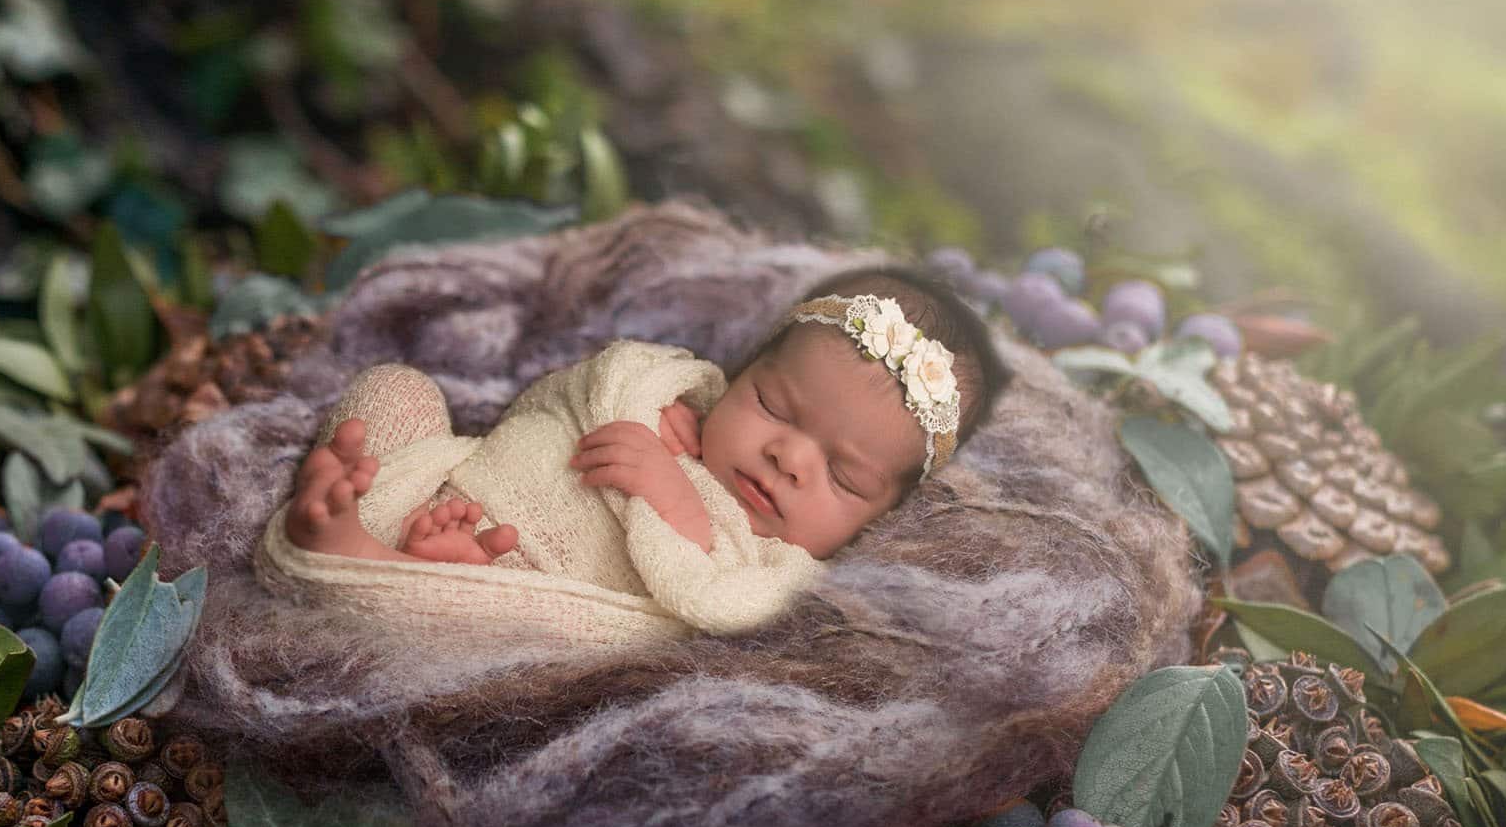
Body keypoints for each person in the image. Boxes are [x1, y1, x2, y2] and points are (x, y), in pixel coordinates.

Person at [262, 264, 1009, 645]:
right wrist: (643, 408)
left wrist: (679, 508)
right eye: (773, 407)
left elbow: (721, 608)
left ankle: (356, 559)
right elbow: (538, 412)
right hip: (456, 486)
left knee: (523, 652)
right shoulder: (664, 400)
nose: (787, 457)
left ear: (881, 519)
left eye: (843, 476)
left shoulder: (777, 566)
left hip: (532, 599)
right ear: (739, 373)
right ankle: (362, 491)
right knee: (398, 389)